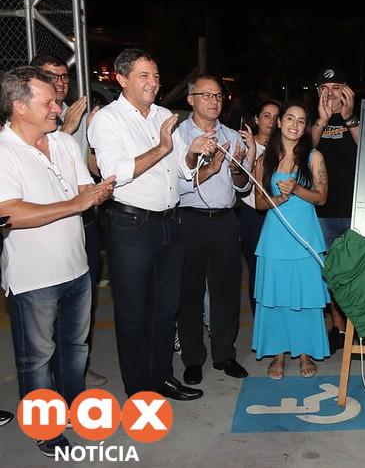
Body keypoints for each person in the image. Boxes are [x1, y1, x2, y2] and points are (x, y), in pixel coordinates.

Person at [0, 66, 115, 455]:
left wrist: (97, 192)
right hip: (33, 278)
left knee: (75, 347)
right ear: (18, 106)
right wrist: (78, 202)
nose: (56, 107)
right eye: (47, 101)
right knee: (37, 357)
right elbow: (10, 213)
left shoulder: (63, 142)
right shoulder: (3, 151)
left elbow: (83, 189)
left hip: (77, 268)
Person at [88, 48, 215, 401]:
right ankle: (138, 389)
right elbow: (114, 173)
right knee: (132, 313)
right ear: (121, 78)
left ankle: (162, 377)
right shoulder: (108, 120)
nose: (153, 82)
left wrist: (193, 153)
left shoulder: (163, 115)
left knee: (165, 309)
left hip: (170, 223)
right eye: (144, 75)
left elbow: (182, 172)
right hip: (131, 225)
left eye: (156, 76)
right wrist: (162, 147)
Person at [30, 54, 108, 388]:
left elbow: (90, 171)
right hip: (44, 230)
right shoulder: (31, 125)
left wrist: (90, 137)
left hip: (84, 225)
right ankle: (46, 381)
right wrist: (66, 129)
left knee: (82, 302)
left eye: (64, 77)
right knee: (44, 315)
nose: (60, 83)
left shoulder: (80, 113)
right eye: (51, 77)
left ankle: (76, 367)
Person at [176, 75, 255, 385]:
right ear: (190, 99)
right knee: (189, 292)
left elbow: (244, 185)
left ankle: (225, 354)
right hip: (189, 219)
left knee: (225, 292)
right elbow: (178, 184)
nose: (213, 101)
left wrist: (236, 169)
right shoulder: (178, 136)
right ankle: (193, 359)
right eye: (206, 95)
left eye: (219, 96)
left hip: (224, 219)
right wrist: (206, 164)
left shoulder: (233, 136)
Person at [252, 104, 330, 379]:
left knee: (306, 297)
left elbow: (321, 198)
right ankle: (278, 355)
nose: (294, 125)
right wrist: (281, 198)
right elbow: (260, 204)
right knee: (276, 297)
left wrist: (297, 189)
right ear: (280, 123)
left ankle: (306, 353)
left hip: (305, 235)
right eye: (289, 118)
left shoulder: (313, 157)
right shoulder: (265, 160)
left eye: (301, 120)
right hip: (275, 237)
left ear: (306, 126)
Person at [310, 66, 357, 353]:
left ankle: (357, 328)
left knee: (356, 273)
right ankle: (338, 327)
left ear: (347, 90)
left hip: (355, 211)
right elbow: (302, 150)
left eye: (337, 87)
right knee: (330, 276)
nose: (331, 93)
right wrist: (321, 120)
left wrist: (348, 117)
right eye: (325, 88)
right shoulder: (313, 122)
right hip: (323, 212)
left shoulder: (357, 119)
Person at [240, 99, 280, 315]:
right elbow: (240, 179)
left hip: (278, 213)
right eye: (266, 116)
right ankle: (261, 325)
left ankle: (277, 322)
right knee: (257, 271)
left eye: (275, 117)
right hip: (253, 214)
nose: (271, 121)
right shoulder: (244, 143)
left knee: (277, 271)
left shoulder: (285, 147)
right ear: (256, 119)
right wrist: (252, 151)